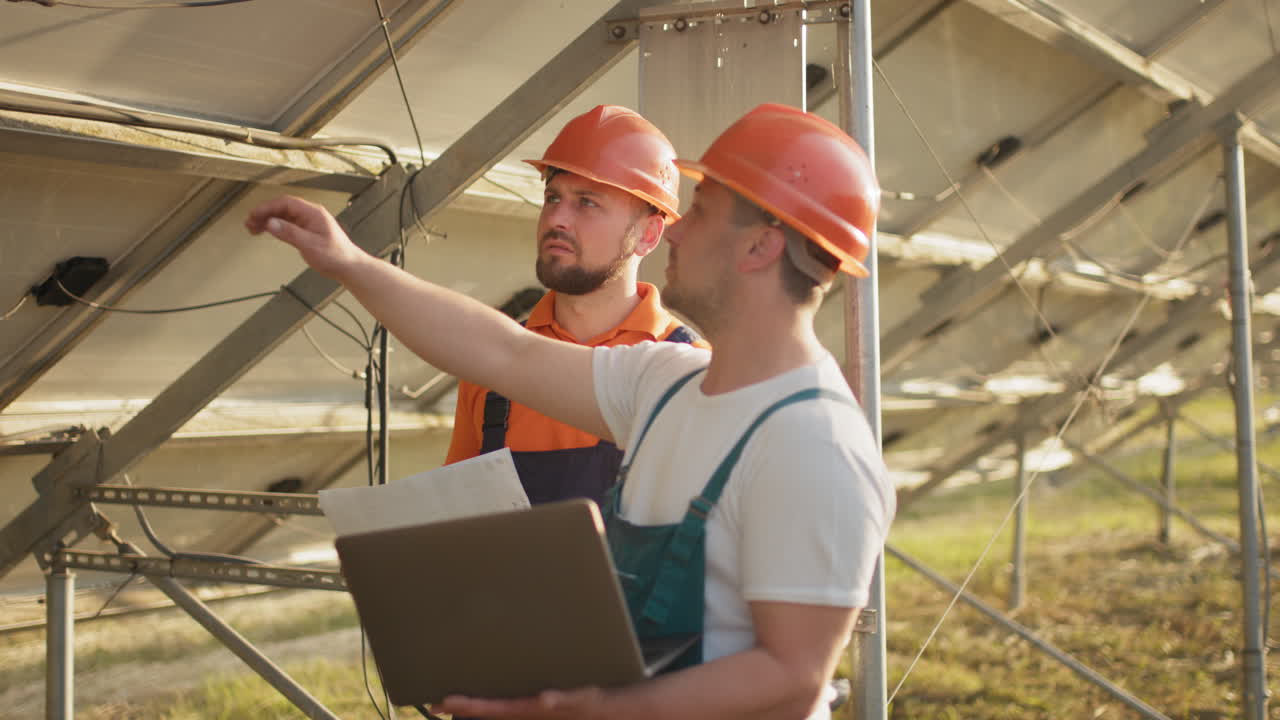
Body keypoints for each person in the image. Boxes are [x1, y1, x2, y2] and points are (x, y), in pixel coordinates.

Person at [247, 103, 895, 720]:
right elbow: (503, 352)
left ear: (760, 248)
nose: (675, 227)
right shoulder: (663, 384)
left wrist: (595, 711)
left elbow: (790, 680)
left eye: (699, 212)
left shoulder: (814, 443)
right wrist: (348, 263)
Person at [445, 104, 706, 508]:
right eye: (553, 198)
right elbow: (456, 523)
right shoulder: (491, 370)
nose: (557, 219)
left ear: (649, 235)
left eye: (587, 202)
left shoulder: (691, 370)